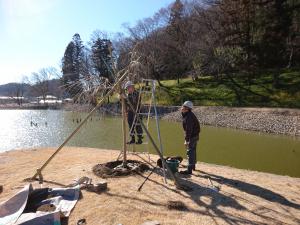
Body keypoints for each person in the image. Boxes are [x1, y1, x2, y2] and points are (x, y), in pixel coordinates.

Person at [180, 101, 200, 175]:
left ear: (187, 108)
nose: (182, 107)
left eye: (183, 106)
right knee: (193, 151)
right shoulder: (187, 114)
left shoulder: (189, 117)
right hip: (194, 136)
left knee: (190, 152)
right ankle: (193, 166)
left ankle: (189, 170)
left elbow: (189, 130)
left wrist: (187, 140)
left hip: (192, 136)